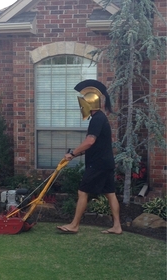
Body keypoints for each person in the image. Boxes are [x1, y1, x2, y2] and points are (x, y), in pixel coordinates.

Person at [57, 79, 122, 235]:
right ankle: (117, 226)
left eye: (83, 103)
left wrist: (72, 154)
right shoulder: (100, 118)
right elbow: (95, 144)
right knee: (110, 193)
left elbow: (90, 141)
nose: (81, 107)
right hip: (106, 162)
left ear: (90, 104)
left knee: (82, 192)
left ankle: (74, 225)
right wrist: (78, 153)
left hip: (98, 164)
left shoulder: (97, 119)